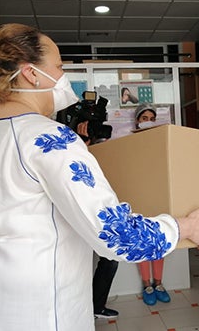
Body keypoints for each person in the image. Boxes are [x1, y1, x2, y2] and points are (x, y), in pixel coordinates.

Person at [0, 23, 199, 331]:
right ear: (31, 73)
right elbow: (118, 237)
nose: (64, 77)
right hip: (34, 310)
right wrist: (187, 226)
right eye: (59, 66)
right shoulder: (47, 137)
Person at [76, 121, 119, 319]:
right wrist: (81, 144)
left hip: (101, 214)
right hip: (77, 215)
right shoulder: (77, 153)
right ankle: (86, 307)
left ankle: (96, 306)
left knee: (110, 260)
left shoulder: (111, 157)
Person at [131, 103, 170, 305]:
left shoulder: (160, 143)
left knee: (158, 243)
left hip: (157, 198)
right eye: (144, 118)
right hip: (138, 199)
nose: (148, 122)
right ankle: (147, 285)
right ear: (137, 120)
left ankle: (159, 283)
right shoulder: (130, 144)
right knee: (142, 244)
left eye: (151, 119)